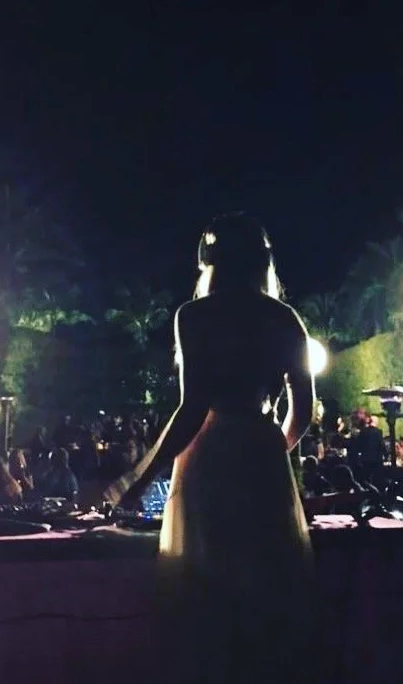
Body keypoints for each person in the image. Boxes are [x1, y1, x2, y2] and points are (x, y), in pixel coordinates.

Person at [105, 213, 319, 683]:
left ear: (209, 261)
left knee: (206, 582)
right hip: (263, 453)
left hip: (213, 451)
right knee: (265, 586)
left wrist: (138, 479)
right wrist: (271, 449)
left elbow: (192, 407)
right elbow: (303, 408)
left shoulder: (197, 315)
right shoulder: (284, 318)